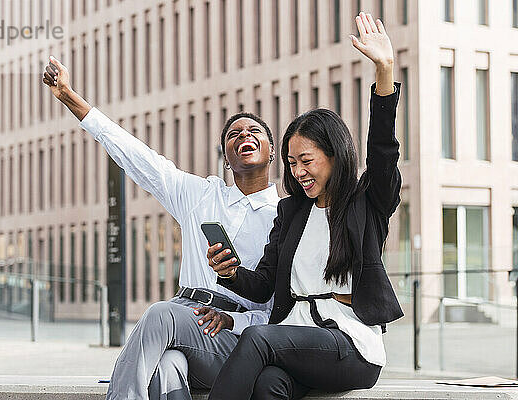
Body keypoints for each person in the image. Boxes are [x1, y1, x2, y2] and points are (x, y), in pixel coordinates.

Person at [42, 58, 278, 399]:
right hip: (184, 324)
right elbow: (135, 155)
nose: (244, 135)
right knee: (168, 366)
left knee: (157, 313)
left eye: (254, 131)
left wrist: (233, 321)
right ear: (227, 158)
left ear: (271, 152)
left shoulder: (282, 217)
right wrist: (68, 96)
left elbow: (278, 308)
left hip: (233, 340)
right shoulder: (200, 195)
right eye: (234, 134)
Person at [205, 13, 404, 400]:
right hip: (297, 341)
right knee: (268, 386)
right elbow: (262, 286)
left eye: (306, 160)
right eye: (292, 163)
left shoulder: (367, 203)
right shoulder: (291, 213)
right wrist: (229, 273)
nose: (297, 172)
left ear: (333, 153)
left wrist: (384, 70)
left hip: (349, 344)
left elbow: (383, 149)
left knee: (257, 338)